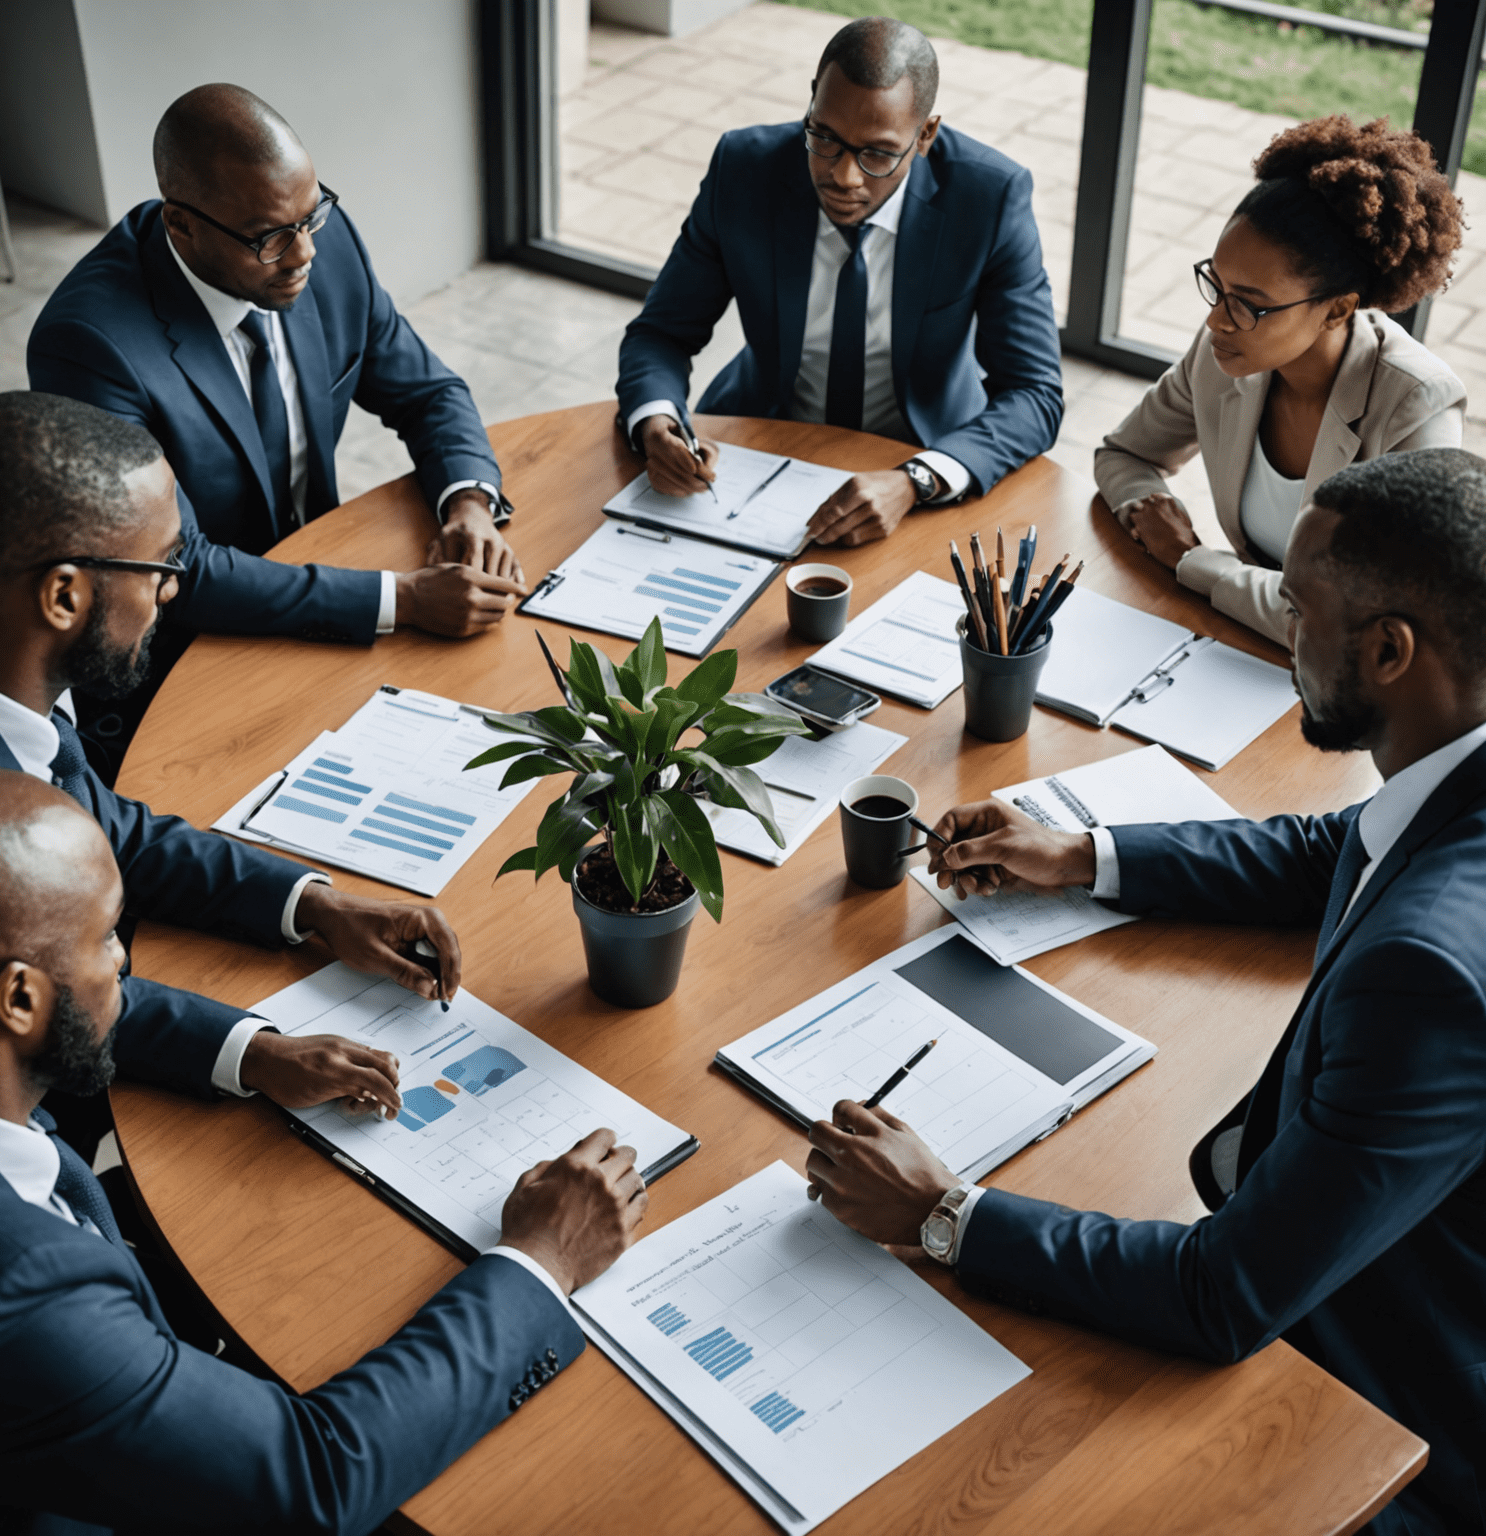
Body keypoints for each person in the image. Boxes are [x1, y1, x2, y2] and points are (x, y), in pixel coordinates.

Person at [807, 447, 1486, 1536]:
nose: (1281, 631)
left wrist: (940, 1213)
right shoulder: (1459, 775)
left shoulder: (1428, 978)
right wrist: (1079, 855)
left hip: (1385, 1409)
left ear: (1392, 651)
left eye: (1297, 608)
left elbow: (1223, 1297)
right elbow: (1341, 848)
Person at [0, 766, 647, 1533]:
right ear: (19, 1000)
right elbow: (314, 1478)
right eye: (107, 936)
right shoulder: (17, 1286)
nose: (123, 961)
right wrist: (543, 1257)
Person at [0, 391, 471, 1155]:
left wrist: (315, 906)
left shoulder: (5, 693)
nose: (173, 590)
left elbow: (112, 830)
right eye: (161, 566)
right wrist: (252, 1053)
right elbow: (42, 1001)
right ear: (64, 594)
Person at [27, 83, 531, 778]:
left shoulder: (321, 246)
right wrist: (402, 599)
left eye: (311, 215)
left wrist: (467, 502)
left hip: (320, 583)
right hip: (188, 660)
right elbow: (180, 569)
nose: (303, 256)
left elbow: (427, 390)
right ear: (182, 225)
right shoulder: (89, 345)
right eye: (270, 237)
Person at [615, 16, 1062, 549]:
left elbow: (1034, 393)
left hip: (922, 452)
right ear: (812, 102)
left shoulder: (988, 197)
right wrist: (656, 421)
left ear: (925, 135)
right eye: (824, 137)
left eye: (876, 153)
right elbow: (662, 332)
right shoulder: (744, 169)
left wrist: (917, 481)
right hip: (758, 441)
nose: (843, 177)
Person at [1097, 115, 1465, 647]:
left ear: (1338, 310)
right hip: (1242, 641)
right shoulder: (1226, 353)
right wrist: (1149, 510)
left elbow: (1359, 624)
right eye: (1217, 286)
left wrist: (1190, 559)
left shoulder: (1416, 406)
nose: (1216, 321)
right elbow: (1123, 456)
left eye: (1249, 304)